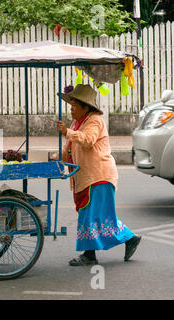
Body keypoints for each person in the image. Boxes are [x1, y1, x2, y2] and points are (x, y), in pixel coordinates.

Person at [55, 84, 142, 266]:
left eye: (74, 105)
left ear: (86, 107)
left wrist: (67, 132)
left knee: (90, 216)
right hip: (86, 177)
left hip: (98, 176)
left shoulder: (94, 121)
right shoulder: (77, 123)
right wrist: (53, 158)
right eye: (71, 105)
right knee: (101, 216)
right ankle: (130, 238)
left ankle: (89, 254)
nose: (71, 108)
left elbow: (87, 140)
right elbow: (69, 151)